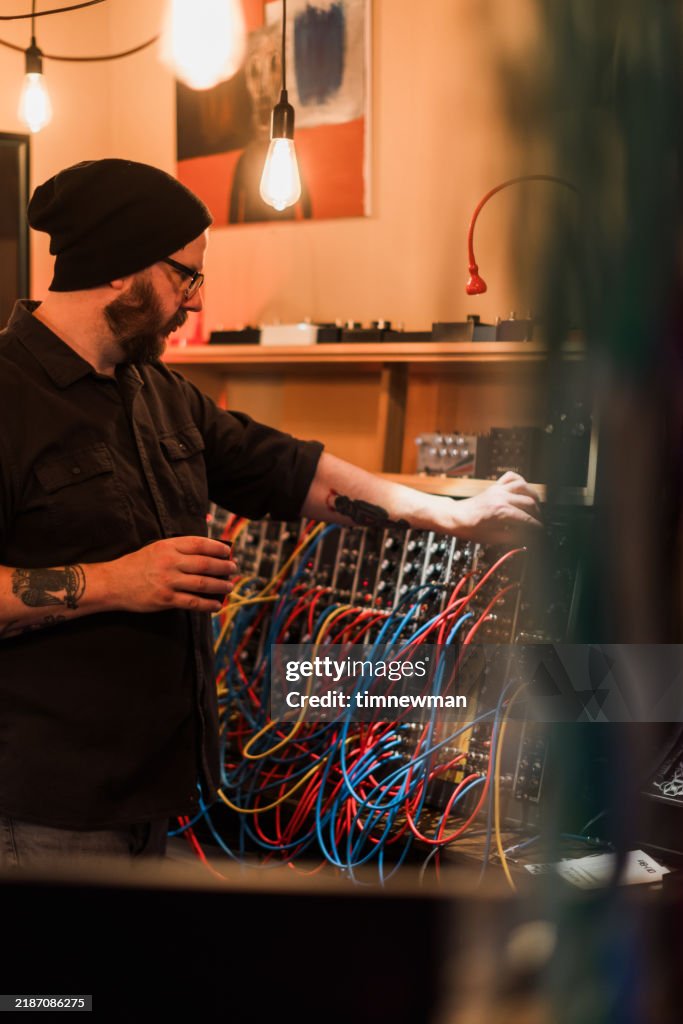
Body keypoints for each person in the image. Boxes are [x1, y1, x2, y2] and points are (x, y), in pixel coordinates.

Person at [0, 158, 541, 867]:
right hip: (41, 809)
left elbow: (289, 470)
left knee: (123, 983)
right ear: (118, 269)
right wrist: (113, 582)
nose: (194, 301)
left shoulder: (159, 393)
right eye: (184, 275)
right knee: (49, 986)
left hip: (149, 798)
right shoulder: (10, 395)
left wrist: (450, 514)